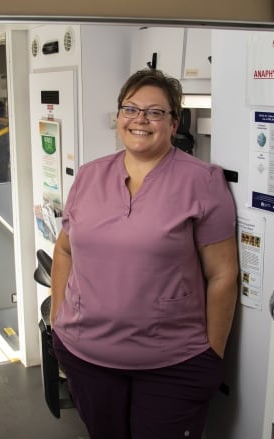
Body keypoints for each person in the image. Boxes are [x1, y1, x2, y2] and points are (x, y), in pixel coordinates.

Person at [49, 68, 239, 439]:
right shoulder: (89, 176)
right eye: (130, 109)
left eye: (155, 112)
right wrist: (58, 321)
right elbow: (64, 251)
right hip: (87, 357)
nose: (140, 120)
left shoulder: (202, 181)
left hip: (173, 363)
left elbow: (222, 275)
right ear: (119, 116)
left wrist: (211, 354)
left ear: (174, 122)